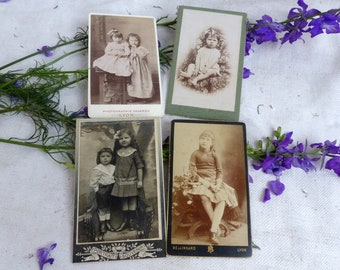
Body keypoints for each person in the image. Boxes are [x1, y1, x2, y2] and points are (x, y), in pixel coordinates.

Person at [188, 130, 239, 245]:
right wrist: (207, 184)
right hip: (200, 182)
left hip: (215, 182)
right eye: (202, 138)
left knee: (222, 199)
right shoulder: (195, 154)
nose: (204, 141)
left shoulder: (215, 155)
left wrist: (217, 183)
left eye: (207, 139)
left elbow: (219, 172)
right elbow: (192, 172)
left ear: (212, 143)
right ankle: (216, 226)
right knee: (204, 197)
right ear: (199, 140)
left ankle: (213, 230)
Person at [111, 128, 144, 232]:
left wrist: (140, 180)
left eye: (126, 137)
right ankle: (126, 221)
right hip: (120, 180)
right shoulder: (117, 152)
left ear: (131, 139)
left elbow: (139, 166)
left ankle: (132, 222)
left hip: (132, 180)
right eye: (121, 138)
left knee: (132, 200)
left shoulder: (134, 152)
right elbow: (113, 166)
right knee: (124, 201)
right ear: (118, 140)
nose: (124, 140)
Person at [92, 29, 131, 103]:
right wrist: (113, 53)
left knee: (122, 66)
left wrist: (122, 54)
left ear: (122, 38)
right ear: (112, 38)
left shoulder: (124, 44)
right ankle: (110, 86)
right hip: (112, 56)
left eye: (119, 37)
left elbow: (128, 52)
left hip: (121, 57)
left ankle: (119, 86)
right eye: (115, 38)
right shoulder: (110, 44)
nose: (118, 39)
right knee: (108, 64)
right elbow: (107, 51)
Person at [88, 147, 116, 240]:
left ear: (111, 157)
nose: (105, 158)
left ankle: (108, 222)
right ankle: (102, 224)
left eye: (108, 156)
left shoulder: (113, 167)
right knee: (102, 208)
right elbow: (93, 182)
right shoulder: (98, 168)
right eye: (103, 156)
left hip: (112, 189)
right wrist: (98, 191)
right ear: (99, 158)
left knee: (109, 207)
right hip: (102, 190)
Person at [126, 33, 154, 103]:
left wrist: (136, 50)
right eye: (131, 40)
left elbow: (143, 56)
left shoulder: (141, 48)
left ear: (138, 42)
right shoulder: (128, 49)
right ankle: (134, 96)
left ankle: (146, 97)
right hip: (133, 69)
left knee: (143, 82)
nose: (134, 42)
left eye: (136, 40)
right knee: (134, 82)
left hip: (142, 69)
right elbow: (127, 58)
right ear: (128, 41)